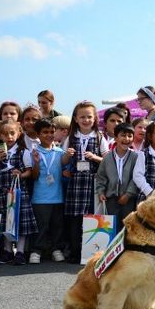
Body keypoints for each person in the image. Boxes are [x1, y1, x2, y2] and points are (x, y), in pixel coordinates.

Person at [61, 101, 105, 264]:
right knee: (74, 219)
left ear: (95, 119)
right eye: (82, 117)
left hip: (92, 183)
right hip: (75, 183)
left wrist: (95, 157)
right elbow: (62, 161)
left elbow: (107, 160)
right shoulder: (71, 137)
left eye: (89, 116)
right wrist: (68, 154)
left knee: (91, 218)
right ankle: (74, 252)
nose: (86, 120)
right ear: (76, 118)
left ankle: (91, 253)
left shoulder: (99, 137)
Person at [0, 120, 37, 264]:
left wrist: (20, 174)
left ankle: (21, 252)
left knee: (20, 222)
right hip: (3, 193)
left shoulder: (24, 152)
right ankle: (8, 250)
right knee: (5, 222)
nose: (9, 136)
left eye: (12, 133)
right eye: (5, 134)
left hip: (19, 192)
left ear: (19, 133)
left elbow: (29, 172)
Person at [29, 118, 66, 263]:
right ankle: (36, 250)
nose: (49, 135)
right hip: (40, 197)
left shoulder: (60, 152)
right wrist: (36, 163)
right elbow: (34, 176)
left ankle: (56, 249)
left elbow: (65, 167)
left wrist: (68, 155)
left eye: (51, 132)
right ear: (38, 134)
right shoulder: (33, 152)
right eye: (45, 132)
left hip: (58, 196)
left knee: (57, 226)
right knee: (41, 226)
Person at [95, 123, 139, 229]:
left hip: (129, 199)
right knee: (112, 226)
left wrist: (128, 194)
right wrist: (101, 191)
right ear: (115, 137)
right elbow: (101, 176)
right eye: (123, 135)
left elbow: (136, 177)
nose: (126, 139)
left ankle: (126, 246)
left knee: (128, 226)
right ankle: (114, 246)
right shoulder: (107, 157)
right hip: (111, 199)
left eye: (130, 136)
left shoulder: (135, 156)